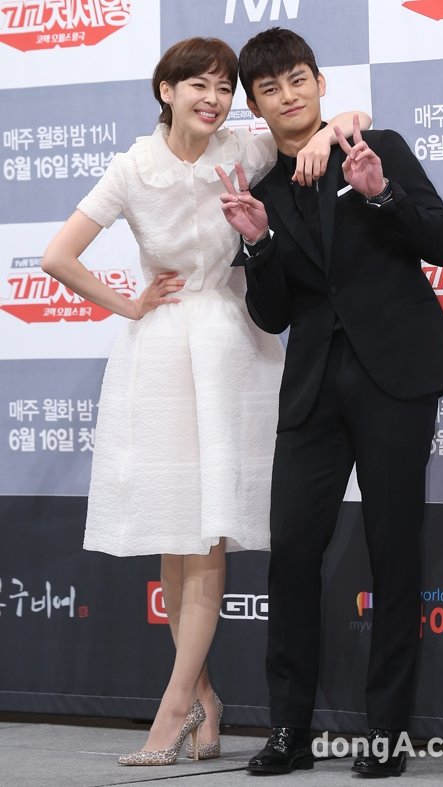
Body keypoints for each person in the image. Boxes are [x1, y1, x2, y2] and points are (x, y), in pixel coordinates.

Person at [41, 36, 369, 767]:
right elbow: (58, 256)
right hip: (159, 353)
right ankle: (205, 699)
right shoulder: (132, 167)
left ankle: (173, 708)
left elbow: (331, 124)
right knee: (175, 533)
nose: (214, 99)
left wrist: (339, 126)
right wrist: (128, 304)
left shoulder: (246, 149)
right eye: (199, 85)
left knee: (208, 533)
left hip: (231, 349)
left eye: (224, 87)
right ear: (166, 90)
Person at [217, 27, 443, 778]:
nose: (289, 96)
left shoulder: (374, 146)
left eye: (298, 79)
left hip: (396, 377)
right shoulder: (261, 191)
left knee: (394, 552)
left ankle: (386, 733)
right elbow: (272, 315)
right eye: (270, 89)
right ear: (257, 104)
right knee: (293, 552)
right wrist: (259, 246)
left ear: (320, 82)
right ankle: (289, 730)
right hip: (313, 390)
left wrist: (381, 194)